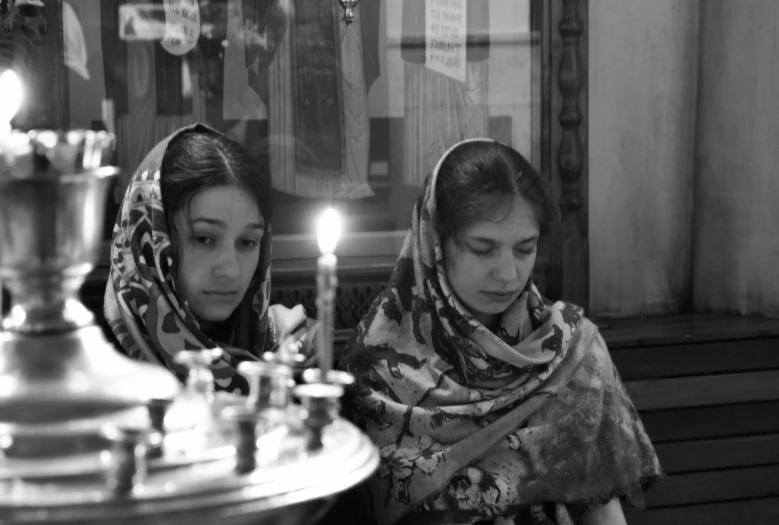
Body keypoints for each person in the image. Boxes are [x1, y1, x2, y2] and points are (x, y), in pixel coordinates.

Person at [338, 138, 664, 525]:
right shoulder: (378, 371)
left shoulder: (575, 354)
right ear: (435, 243)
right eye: (483, 249)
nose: (508, 274)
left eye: (525, 249)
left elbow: (601, 507)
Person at [104, 123, 312, 394]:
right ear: (150, 238)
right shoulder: (96, 367)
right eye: (204, 239)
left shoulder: (286, 351)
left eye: (247, 242)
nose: (230, 270)